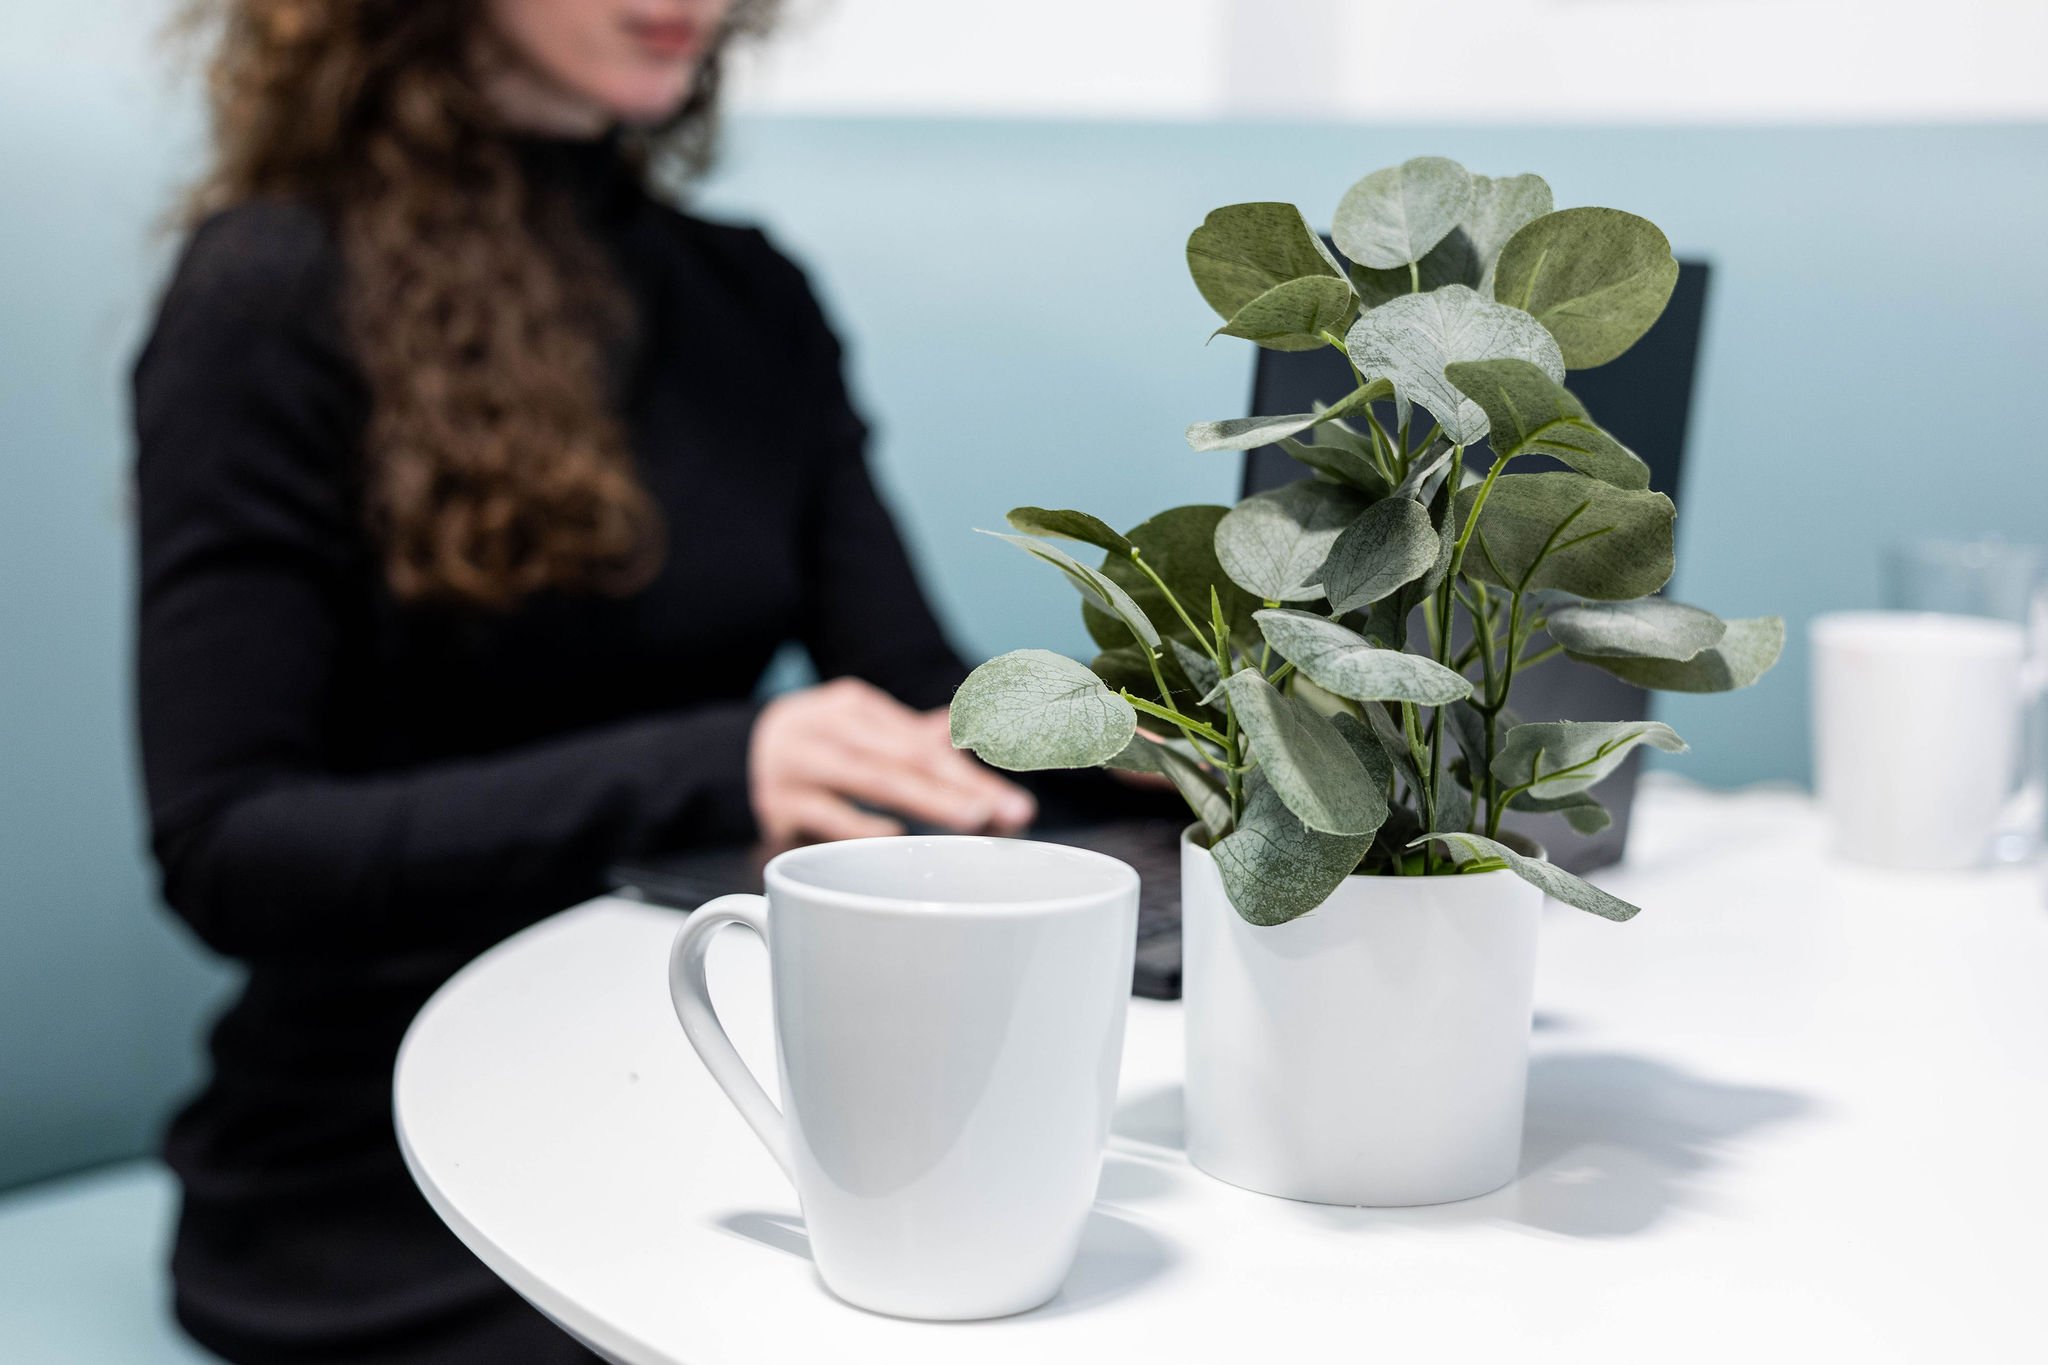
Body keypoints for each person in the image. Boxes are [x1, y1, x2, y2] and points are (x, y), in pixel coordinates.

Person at [133, 1, 1044, 1359]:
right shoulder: (268, 286)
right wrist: (722, 761)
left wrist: (1195, 723)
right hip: (380, 1172)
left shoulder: (748, 294)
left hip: (700, 1106)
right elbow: (233, 845)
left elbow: (918, 693)